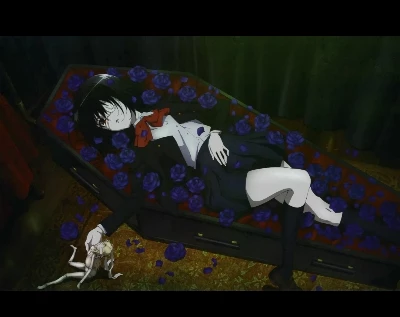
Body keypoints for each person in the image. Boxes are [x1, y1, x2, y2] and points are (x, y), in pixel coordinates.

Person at [75, 74, 399, 291]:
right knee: (300, 181)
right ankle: (285, 272)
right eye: (102, 121)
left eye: (107, 109)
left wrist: (215, 133)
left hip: (236, 150)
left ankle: (285, 273)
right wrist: (103, 228)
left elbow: (215, 110)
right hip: (220, 177)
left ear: (116, 98)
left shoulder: (161, 104)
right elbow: (138, 194)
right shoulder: (139, 150)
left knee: (322, 209)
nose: (110, 119)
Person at [37, 241, 122, 290]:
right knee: (70, 263)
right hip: (86, 266)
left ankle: (47, 284)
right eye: (101, 243)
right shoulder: (94, 250)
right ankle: (75, 249)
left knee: (66, 275)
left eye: (101, 244)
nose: (99, 244)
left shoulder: (94, 256)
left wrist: (80, 283)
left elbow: (89, 270)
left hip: (89, 274)